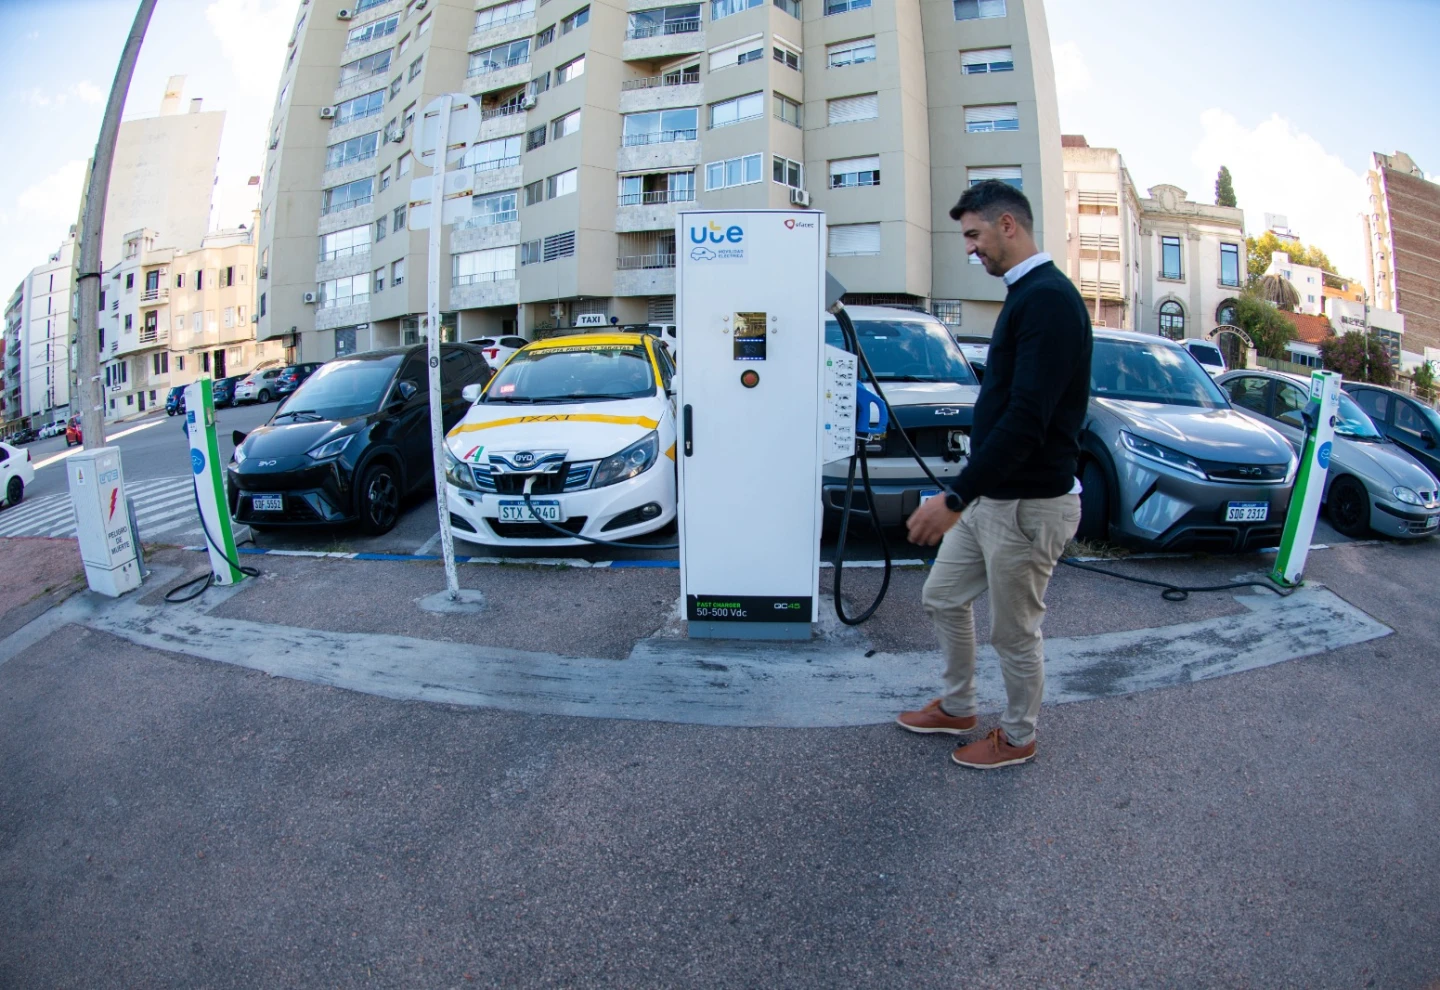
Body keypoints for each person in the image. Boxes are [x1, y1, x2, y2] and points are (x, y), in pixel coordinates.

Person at [897, 180, 1092, 769]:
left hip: (1028, 507)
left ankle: (1018, 736)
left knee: (1014, 633)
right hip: (992, 501)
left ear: (1009, 224)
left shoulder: (1050, 300)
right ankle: (959, 706)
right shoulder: (1025, 295)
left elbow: (1028, 420)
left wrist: (955, 496)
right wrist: (969, 492)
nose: (970, 249)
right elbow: (1007, 409)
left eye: (974, 235)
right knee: (941, 596)